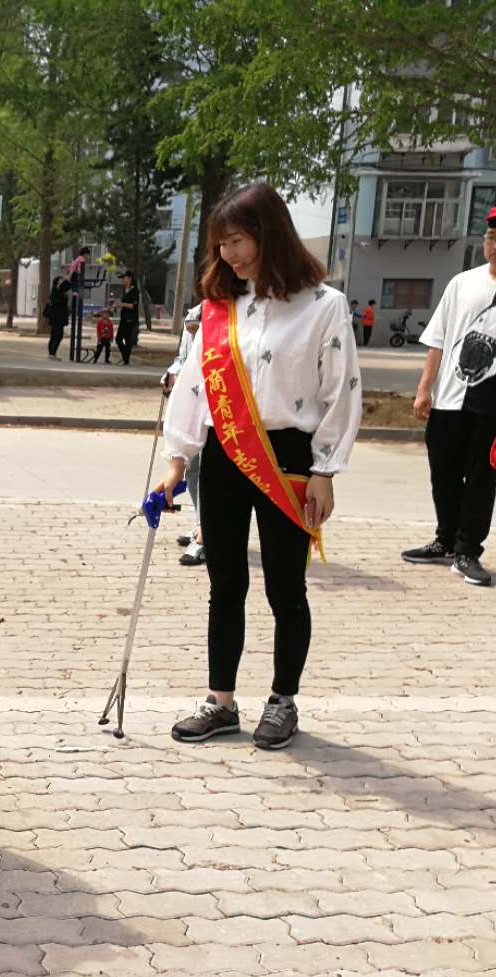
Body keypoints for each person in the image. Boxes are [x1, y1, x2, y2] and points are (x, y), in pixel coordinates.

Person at [159, 181, 362, 750]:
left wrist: (325, 471)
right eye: (221, 244)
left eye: (238, 241)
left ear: (269, 235)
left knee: (285, 587)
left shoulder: (324, 306)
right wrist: (177, 462)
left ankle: (282, 700)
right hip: (225, 456)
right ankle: (220, 702)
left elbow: (341, 391)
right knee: (225, 583)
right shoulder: (221, 310)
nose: (229, 255)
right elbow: (196, 388)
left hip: (290, 459)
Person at [403, 203, 496, 587]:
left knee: (481, 480)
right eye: (491, 238)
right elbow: (438, 338)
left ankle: (467, 551)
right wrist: (424, 389)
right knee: (443, 472)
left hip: (493, 407)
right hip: (449, 398)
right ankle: (446, 540)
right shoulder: (463, 283)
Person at [163, 304, 205, 566]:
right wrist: (171, 373)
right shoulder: (193, 314)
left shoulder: (230, 312)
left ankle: (205, 535)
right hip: (190, 405)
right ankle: (201, 524)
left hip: (213, 408)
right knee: (193, 471)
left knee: (209, 475)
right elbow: (183, 357)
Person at [116, 269, 140, 366]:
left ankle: (126, 360)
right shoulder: (124, 290)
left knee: (127, 339)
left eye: (124, 278)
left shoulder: (135, 291)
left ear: (129, 279)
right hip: (123, 317)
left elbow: (133, 306)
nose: (122, 280)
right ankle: (125, 357)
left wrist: (122, 304)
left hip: (130, 318)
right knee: (118, 339)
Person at [46, 274, 71, 360]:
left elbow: (67, 285)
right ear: (57, 283)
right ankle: (52, 353)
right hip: (57, 317)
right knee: (58, 335)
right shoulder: (57, 290)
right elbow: (67, 284)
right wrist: (70, 273)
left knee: (54, 335)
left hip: (56, 316)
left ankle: (51, 353)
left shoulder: (57, 291)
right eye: (61, 280)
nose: (63, 281)